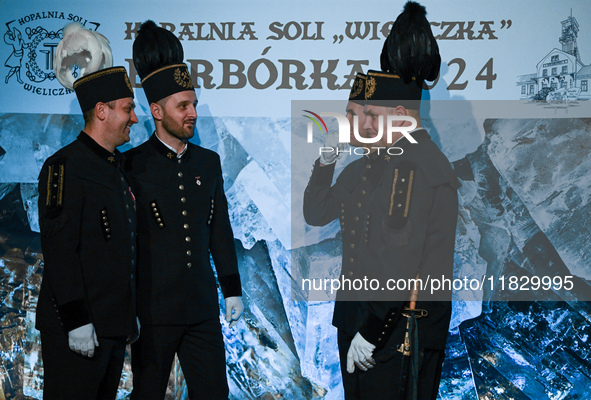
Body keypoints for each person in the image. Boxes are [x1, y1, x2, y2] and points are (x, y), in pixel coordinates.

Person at [304, 2, 460, 399]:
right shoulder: (377, 166)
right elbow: (318, 211)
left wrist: (371, 334)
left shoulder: (414, 166)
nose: (360, 124)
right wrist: (326, 161)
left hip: (395, 331)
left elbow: (400, 262)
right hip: (367, 320)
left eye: (369, 114)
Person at [125, 20, 243, 400]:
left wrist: (231, 289)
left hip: (203, 309)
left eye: (193, 103)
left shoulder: (208, 163)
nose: (192, 112)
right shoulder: (131, 166)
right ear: (157, 111)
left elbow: (219, 227)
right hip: (152, 312)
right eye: (183, 106)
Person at [36, 23, 139, 400]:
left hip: (111, 326)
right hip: (76, 330)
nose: (135, 118)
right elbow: (59, 249)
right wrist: (77, 319)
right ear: (101, 110)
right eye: (128, 109)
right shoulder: (63, 167)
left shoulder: (118, 167)